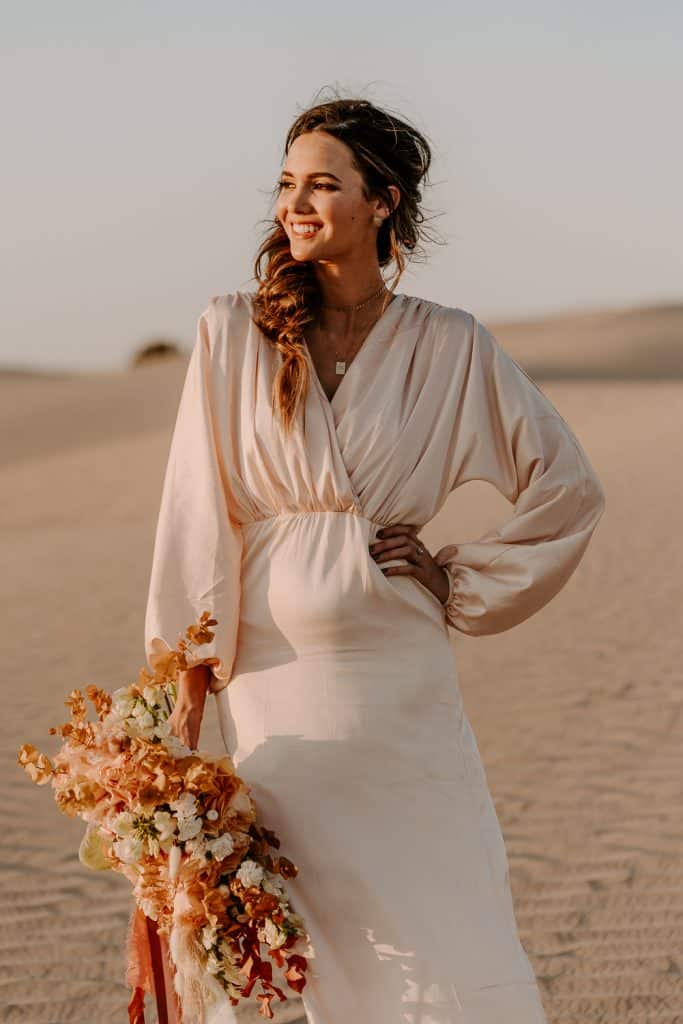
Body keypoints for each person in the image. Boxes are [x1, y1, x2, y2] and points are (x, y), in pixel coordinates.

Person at [144, 94, 605, 1024]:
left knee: (433, 903)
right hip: (274, 684)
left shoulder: (450, 342)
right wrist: (177, 683)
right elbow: (198, 512)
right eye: (285, 184)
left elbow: (568, 489)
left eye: (322, 183)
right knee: (294, 917)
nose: (293, 205)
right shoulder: (234, 330)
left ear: (382, 201)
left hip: (400, 682)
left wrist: (460, 578)